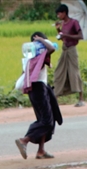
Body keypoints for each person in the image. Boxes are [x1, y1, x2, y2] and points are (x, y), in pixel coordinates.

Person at [14, 32, 61, 160]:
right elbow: (51, 48)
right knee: (46, 121)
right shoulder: (39, 56)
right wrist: (41, 40)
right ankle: (24, 140)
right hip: (39, 89)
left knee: (45, 119)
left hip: (36, 90)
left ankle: (41, 151)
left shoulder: (29, 59)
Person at [52, 4, 84, 107]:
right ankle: (55, 97)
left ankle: (81, 98)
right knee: (59, 72)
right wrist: (58, 30)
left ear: (64, 13)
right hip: (64, 50)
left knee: (74, 72)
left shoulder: (74, 23)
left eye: (59, 13)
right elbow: (62, 38)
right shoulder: (63, 24)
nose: (58, 16)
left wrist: (66, 35)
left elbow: (80, 36)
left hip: (72, 50)